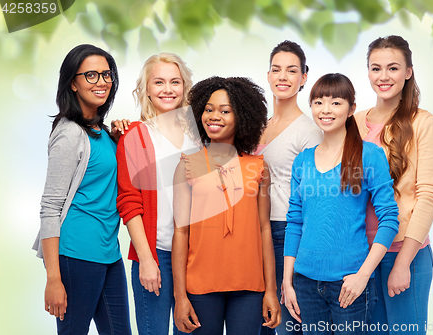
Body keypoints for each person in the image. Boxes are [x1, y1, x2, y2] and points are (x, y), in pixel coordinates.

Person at [283, 73, 400, 335]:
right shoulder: (302, 161)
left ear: (351, 109)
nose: (326, 110)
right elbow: (295, 220)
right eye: (318, 102)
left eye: (336, 102)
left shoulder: (369, 155)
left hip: (349, 282)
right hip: (305, 282)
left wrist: (363, 276)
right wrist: (287, 281)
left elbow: (390, 219)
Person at [32, 44, 131, 334]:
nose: (101, 82)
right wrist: (53, 278)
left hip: (109, 254)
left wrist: (117, 138)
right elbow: (50, 206)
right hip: (76, 255)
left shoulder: (100, 131)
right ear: (72, 83)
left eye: (106, 74)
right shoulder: (69, 132)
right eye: (90, 75)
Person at [172, 76, 281, 334]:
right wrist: (180, 297)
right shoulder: (187, 165)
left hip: (249, 287)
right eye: (208, 109)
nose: (214, 116)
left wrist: (271, 291)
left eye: (224, 110)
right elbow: (181, 232)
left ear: (242, 116)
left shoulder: (258, 167)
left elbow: (265, 229)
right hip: (200, 287)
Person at [354, 35, 433, 334]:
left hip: (405, 253)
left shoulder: (423, 123)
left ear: (408, 72)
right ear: (367, 72)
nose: (383, 76)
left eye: (393, 68)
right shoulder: (352, 122)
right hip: (360, 256)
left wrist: (404, 262)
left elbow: (428, 196)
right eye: (375, 68)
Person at [116, 52, 199, 335]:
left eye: (175, 82)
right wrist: (147, 258)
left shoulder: (199, 136)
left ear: (185, 86)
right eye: (159, 82)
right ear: (147, 90)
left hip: (195, 254)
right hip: (156, 254)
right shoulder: (135, 136)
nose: (167, 89)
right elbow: (129, 202)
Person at [256, 40, 323, 335]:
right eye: (276, 70)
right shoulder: (257, 126)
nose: (283, 77)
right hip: (253, 230)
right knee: (258, 321)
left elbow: (313, 198)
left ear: (303, 78)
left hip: (286, 233)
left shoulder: (310, 131)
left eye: (291, 70)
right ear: (268, 75)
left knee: (285, 323)